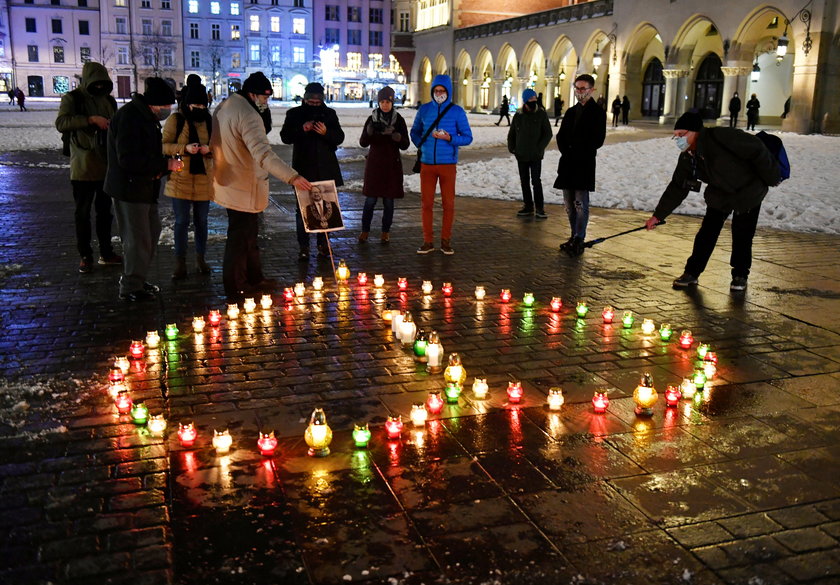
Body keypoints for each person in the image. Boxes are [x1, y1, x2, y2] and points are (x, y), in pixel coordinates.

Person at [644, 111, 780, 292]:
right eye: (675, 136)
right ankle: (691, 272)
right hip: (720, 193)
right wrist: (658, 215)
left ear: (696, 131)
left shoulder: (722, 137)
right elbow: (678, 186)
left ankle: (740, 274)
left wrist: (772, 178)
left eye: (682, 135)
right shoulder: (688, 155)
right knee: (707, 233)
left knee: (742, 234)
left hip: (748, 190)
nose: (678, 140)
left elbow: (757, 150)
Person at [212, 72, 311, 300]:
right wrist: (292, 176)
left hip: (229, 180)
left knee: (248, 235)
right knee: (240, 238)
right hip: (243, 183)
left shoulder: (226, 106)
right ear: (252, 94)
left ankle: (254, 278)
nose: (266, 102)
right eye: (264, 98)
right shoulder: (248, 115)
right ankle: (236, 286)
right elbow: (263, 154)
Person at [105, 77, 184, 302]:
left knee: (150, 234)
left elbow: (146, 153)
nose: (168, 110)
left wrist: (164, 163)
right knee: (137, 239)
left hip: (143, 187)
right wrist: (165, 165)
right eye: (166, 106)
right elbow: (129, 160)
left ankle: (137, 279)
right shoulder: (131, 117)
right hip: (129, 189)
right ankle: (130, 286)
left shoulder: (144, 116)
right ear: (154, 104)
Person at [55, 61, 122, 274]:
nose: (100, 88)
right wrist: (91, 119)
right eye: (97, 84)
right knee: (82, 214)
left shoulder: (109, 101)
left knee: (105, 213)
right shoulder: (73, 99)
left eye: (104, 84)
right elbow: (62, 123)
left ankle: (106, 251)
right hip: (83, 167)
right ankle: (85, 255)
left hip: (106, 166)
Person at [279, 82, 345, 261]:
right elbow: (285, 137)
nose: (315, 104)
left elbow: (339, 137)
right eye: (311, 101)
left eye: (317, 102)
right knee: (303, 210)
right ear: (305, 99)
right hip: (303, 169)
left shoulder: (329, 114)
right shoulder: (294, 114)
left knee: (326, 209)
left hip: (325, 168)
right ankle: (304, 246)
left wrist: (326, 133)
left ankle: (324, 244)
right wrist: (302, 129)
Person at [410, 74, 473, 255]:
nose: (439, 93)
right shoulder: (424, 110)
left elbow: (468, 137)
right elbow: (415, 131)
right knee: (426, 203)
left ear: (448, 92)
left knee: (448, 204)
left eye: (442, 91)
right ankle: (427, 241)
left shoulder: (457, 112)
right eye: (436, 90)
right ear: (432, 91)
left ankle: (446, 241)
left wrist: (450, 138)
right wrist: (420, 143)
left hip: (447, 164)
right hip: (427, 164)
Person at [162, 82, 214, 280]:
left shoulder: (209, 122)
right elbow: (164, 146)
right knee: (182, 221)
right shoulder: (176, 120)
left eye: (203, 106)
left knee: (202, 221)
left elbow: (218, 148)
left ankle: (201, 259)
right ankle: (180, 262)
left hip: (203, 180)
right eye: (196, 106)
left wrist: (209, 150)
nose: (200, 110)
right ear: (186, 104)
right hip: (180, 180)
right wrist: (185, 149)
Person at [554, 74, 607, 256]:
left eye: (583, 88)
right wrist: (566, 150)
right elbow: (561, 136)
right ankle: (573, 234)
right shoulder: (570, 111)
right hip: (568, 162)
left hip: (583, 163)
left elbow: (598, 139)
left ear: (591, 90)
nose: (579, 92)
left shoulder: (597, 113)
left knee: (580, 202)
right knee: (569, 203)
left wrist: (579, 148)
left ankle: (580, 236)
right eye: (577, 88)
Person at [358, 86, 410, 243]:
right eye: (382, 101)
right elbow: (363, 143)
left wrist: (397, 137)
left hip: (391, 167)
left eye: (388, 101)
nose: (385, 105)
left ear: (392, 102)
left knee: (388, 202)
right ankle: (365, 230)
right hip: (374, 166)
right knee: (370, 201)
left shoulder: (398, 119)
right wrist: (369, 132)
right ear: (378, 102)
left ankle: (385, 232)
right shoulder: (372, 119)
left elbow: (405, 144)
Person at [508, 88, 552, 219]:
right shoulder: (519, 116)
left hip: (535, 155)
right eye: (531, 99)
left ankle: (540, 208)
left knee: (536, 181)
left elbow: (548, 133)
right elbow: (512, 134)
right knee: (524, 181)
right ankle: (528, 206)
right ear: (526, 100)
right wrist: (513, 148)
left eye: (535, 99)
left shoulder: (541, 114)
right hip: (521, 154)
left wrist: (540, 148)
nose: (534, 101)